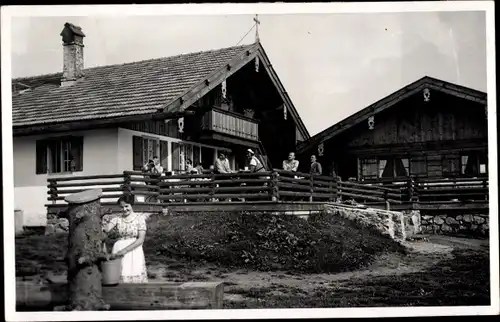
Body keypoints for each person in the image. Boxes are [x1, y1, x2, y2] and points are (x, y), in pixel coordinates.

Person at [104, 195, 148, 284]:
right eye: (122, 207)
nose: (124, 209)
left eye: (126, 206)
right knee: (119, 277)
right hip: (118, 249)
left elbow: (140, 239)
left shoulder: (139, 218)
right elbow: (104, 230)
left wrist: (124, 251)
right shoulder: (117, 219)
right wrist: (103, 247)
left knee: (135, 277)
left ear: (132, 205)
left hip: (134, 250)